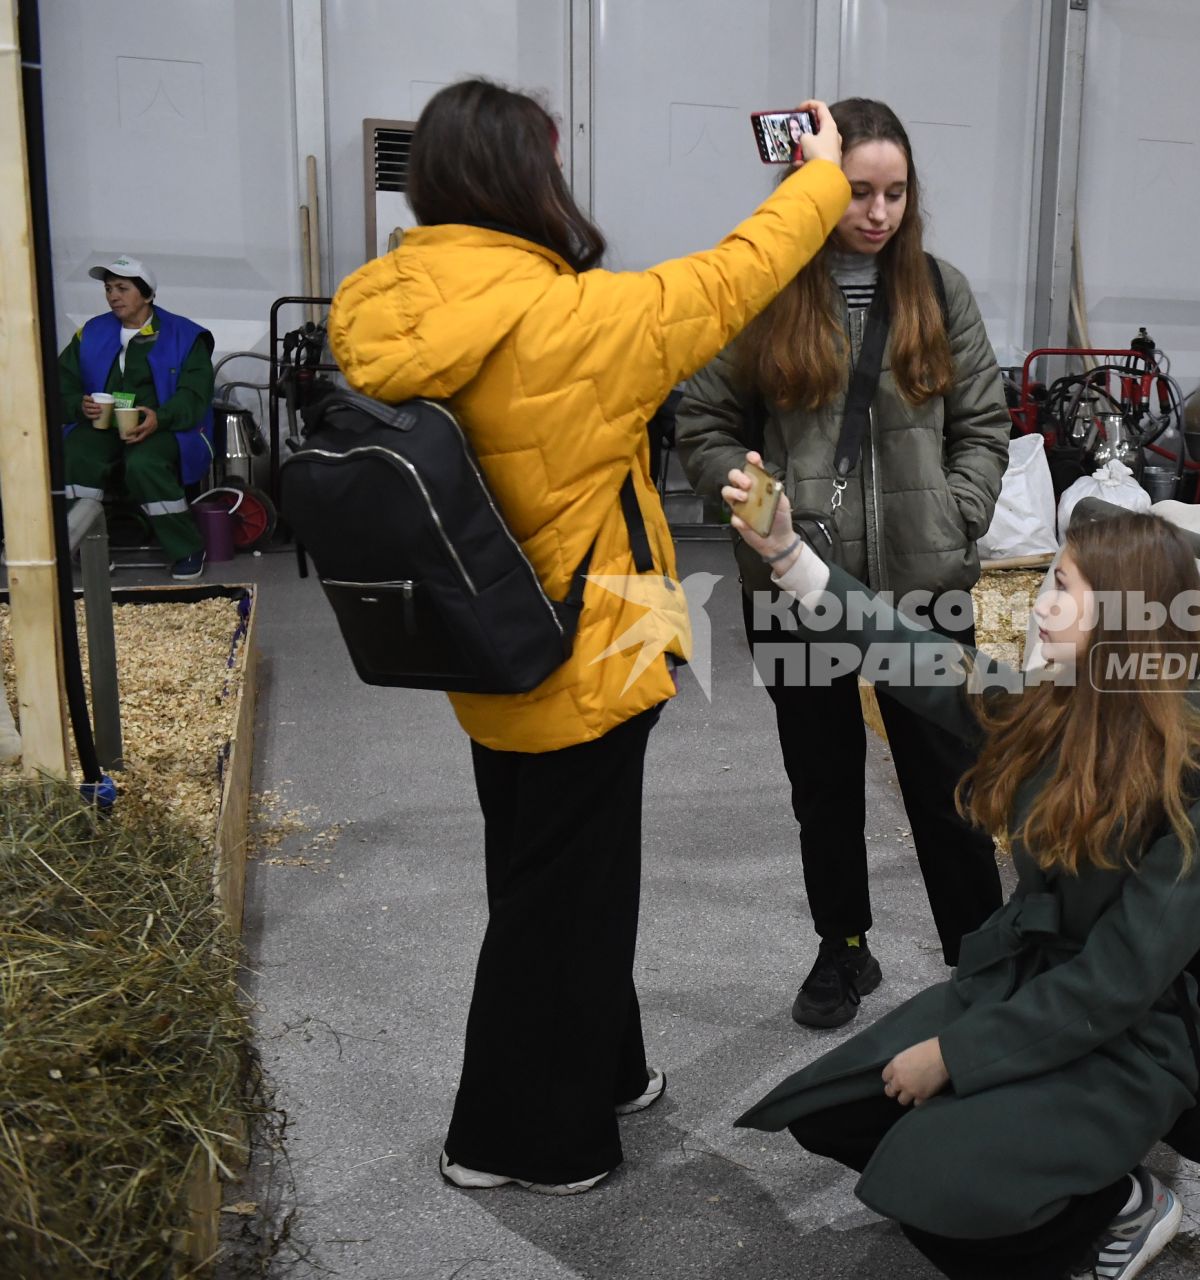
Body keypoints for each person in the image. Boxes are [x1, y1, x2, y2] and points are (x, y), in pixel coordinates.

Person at [326, 79, 850, 1195]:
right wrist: (822, 178)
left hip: (479, 639)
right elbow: (734, 275)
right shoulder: (575, 318)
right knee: (557, 900)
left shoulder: (382, 302)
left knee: (557, 870)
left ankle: (609, 1067)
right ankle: (517, 1139)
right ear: (530, 177)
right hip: (594, 643)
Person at [726, 474, 1200, 1280]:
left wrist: (955, 1053)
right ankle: (1008, 1143)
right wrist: (792, 557)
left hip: (1125, 1041)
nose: (1041, 604)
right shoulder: (1056, 708)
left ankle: (1119, 1208)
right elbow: (915, 656)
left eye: (1066, 590)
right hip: (1023, 988)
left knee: (932, 1185)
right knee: (831, 1113)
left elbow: (1114, 985)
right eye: (1050, 581)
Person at [677, 98, 1011, 1031]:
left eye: (895, 192)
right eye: (858, 190)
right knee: (822, 782)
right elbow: (702, 426)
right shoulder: (762, 293)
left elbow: (984, 423)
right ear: (812, 184)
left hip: (924, 583)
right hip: (798, 586)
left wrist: (960, 514)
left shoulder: (938, 293)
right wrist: (748, 498)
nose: (877, 212)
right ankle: (845, 948)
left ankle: (979, 955)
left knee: (951, 780)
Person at [58, 255, 214, 579]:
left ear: (146, 294)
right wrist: (78, 405)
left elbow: (194, 395)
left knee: (145, 464)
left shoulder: (185, 336)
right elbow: (62, 380)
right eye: (109, 288)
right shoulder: (91, 332)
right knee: (75, 454)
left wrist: (159, 417)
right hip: (102, 424)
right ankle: (84, 548)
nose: (113, 296)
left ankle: (187, 547)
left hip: (165, 427)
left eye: (122, 288)